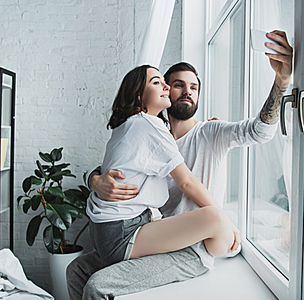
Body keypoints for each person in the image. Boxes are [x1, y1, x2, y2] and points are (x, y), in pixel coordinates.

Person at [67, 30, 293, 300]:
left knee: (98, 286)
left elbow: (259, 132)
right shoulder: (147, 133)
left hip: (190, 249)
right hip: (149, 238)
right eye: (177, 85)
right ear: (165, 92)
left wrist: (281, 83)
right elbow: (110, 166)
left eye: (194, 87)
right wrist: (95, 181)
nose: (187, 91)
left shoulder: (211, 133)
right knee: (76, 270)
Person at [86, 64, 240, 268]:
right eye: (157, 82)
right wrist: (228, 224)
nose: (166, 88)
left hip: (106, 230)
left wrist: (93, 178)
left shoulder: (127, 126)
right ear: (139, 95)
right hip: (122, 233)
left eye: (165, 83)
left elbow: (108, 168)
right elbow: (187, 182)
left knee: (215, 223)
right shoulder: (148, 124)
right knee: (216, 217)